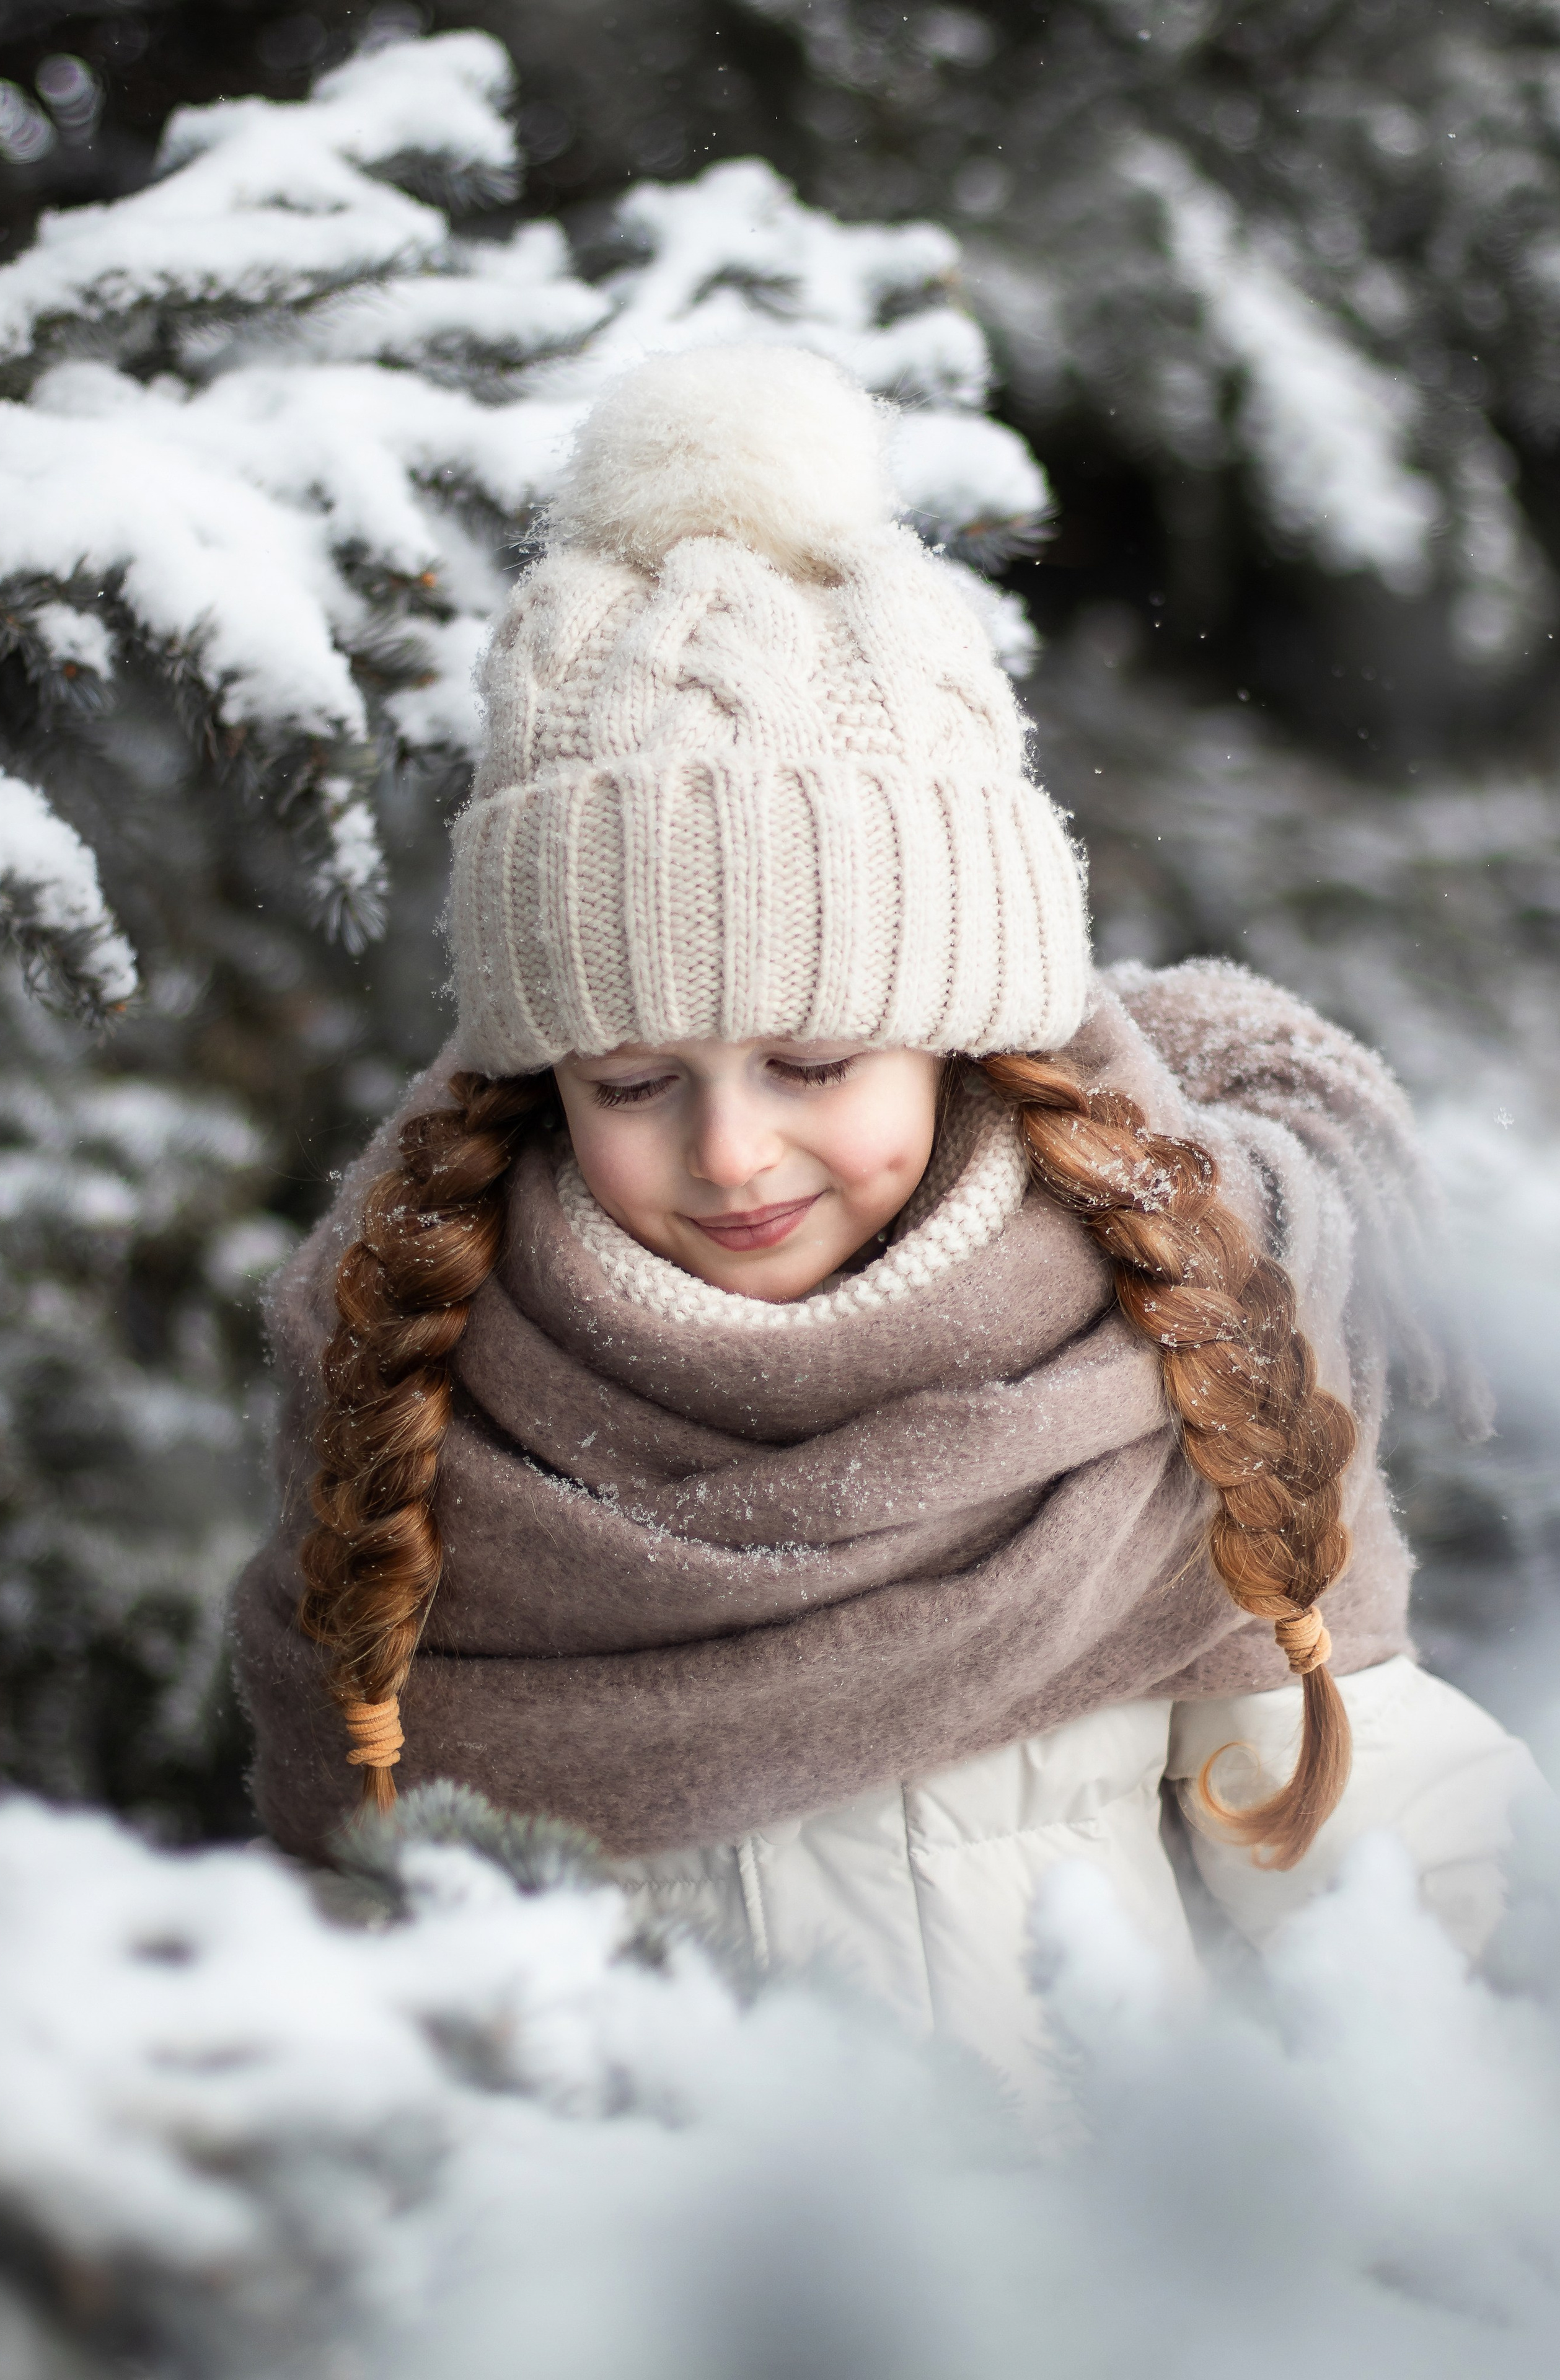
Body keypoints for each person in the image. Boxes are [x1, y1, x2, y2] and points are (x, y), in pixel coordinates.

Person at [233, 343, 1537, 2101]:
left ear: (957, 1028)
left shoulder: (1152, 1356)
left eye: (815, 1058)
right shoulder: (428, 1411)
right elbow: (366, 2007)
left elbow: (1404, 1895)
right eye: (633, 1082)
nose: (732, 1151)